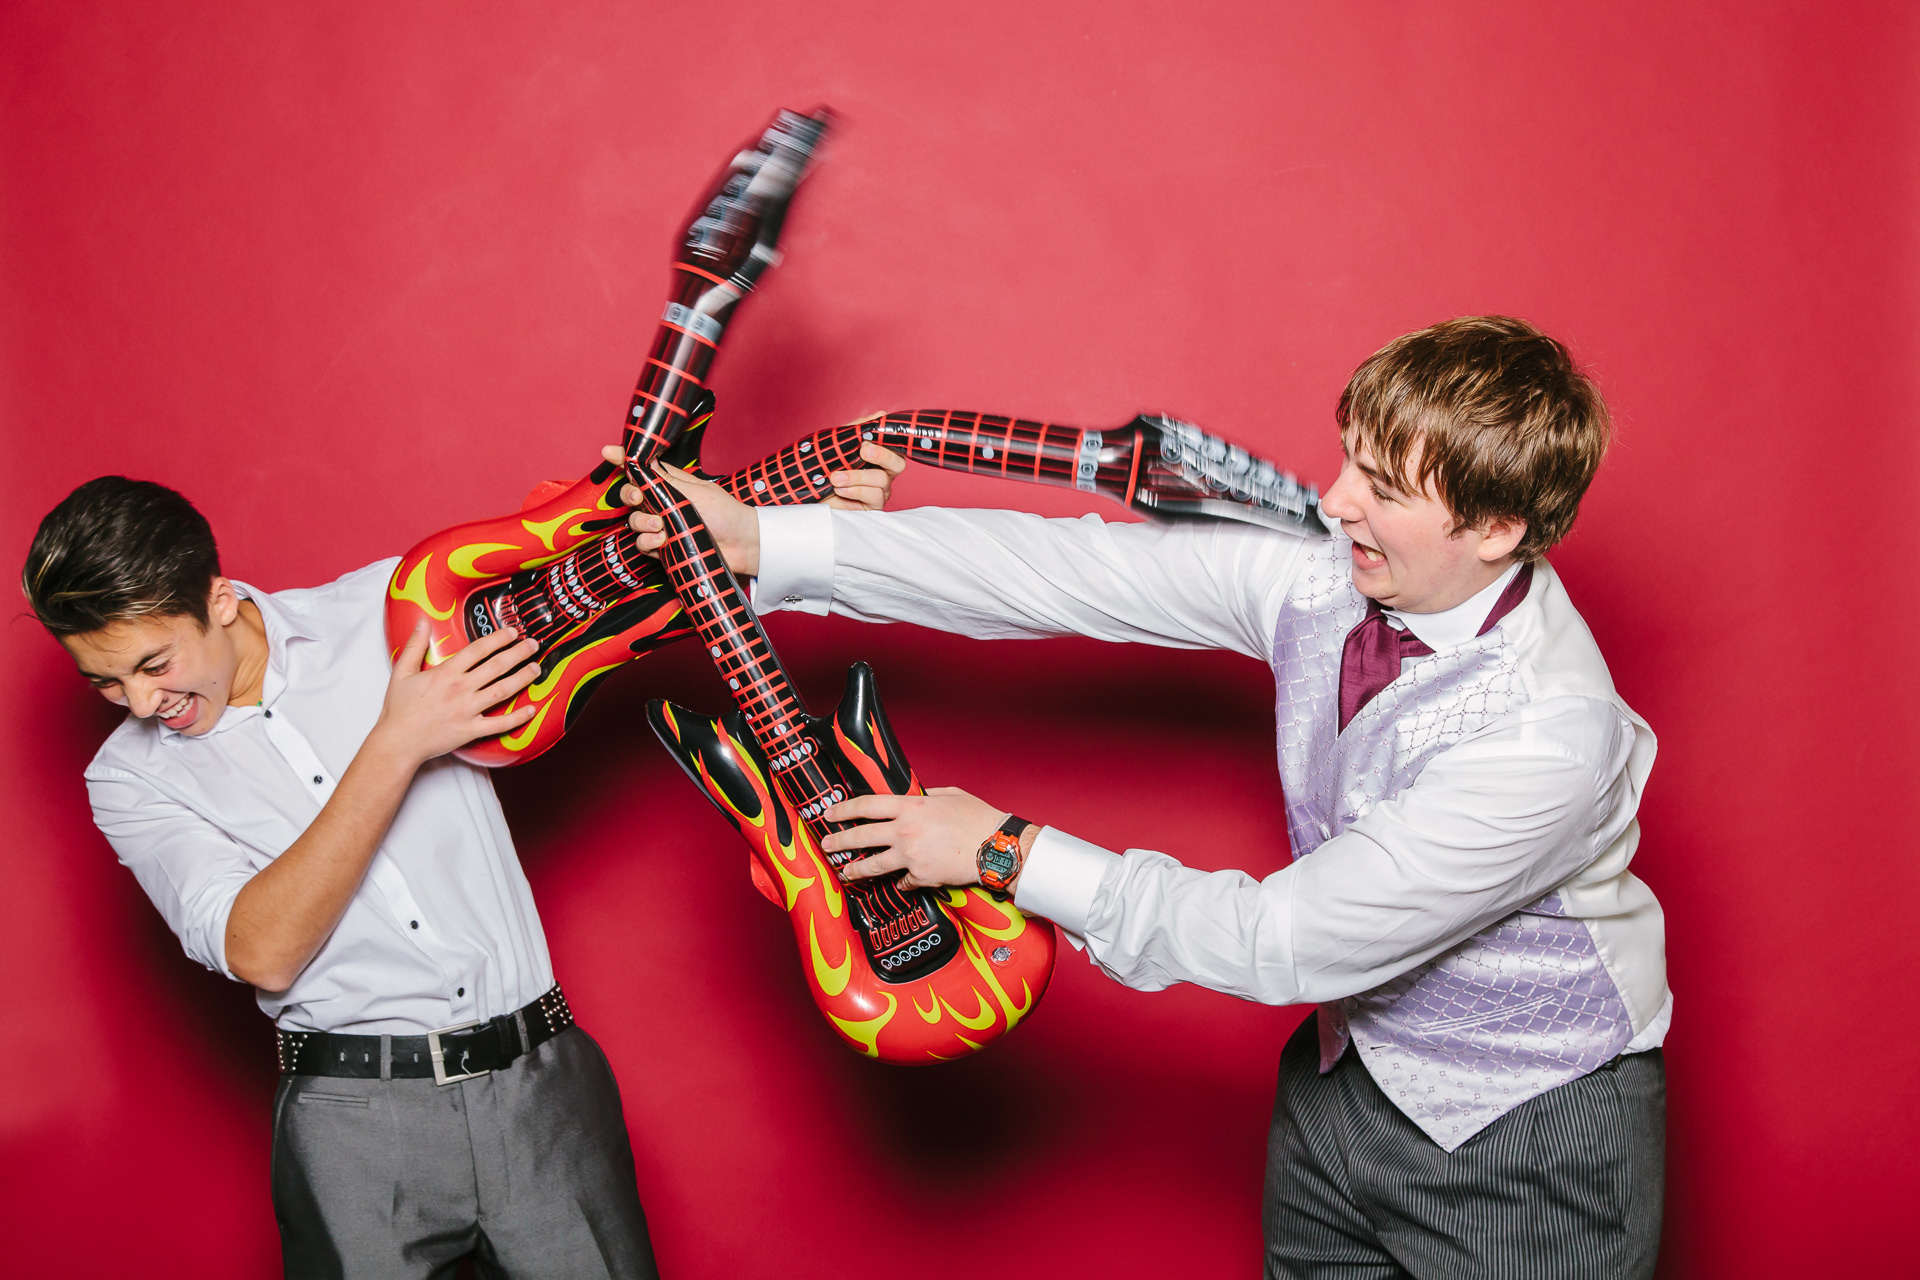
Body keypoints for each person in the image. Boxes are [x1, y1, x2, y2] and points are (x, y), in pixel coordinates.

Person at [620, 316, 1668, 1279]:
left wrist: (1008, 853)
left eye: (1383, 485)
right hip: (1339, 1087)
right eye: (1351, 455)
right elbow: (1078, 569)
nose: (1337, 497)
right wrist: (771, 541)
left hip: (1526, 1136)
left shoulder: (1545, 735)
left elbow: (1286, 937)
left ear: (1493, 528)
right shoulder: (1325, 576)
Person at [22, 456, 897, 1278]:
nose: (141, 703)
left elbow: (634, 567)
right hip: (353, 1126)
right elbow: (263, 950)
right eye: (105, 683)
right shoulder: (131, 776)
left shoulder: (395, 609)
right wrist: (399, 740)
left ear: (218, 601)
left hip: (543, 1086)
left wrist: (810, 530)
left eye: (151, 664)